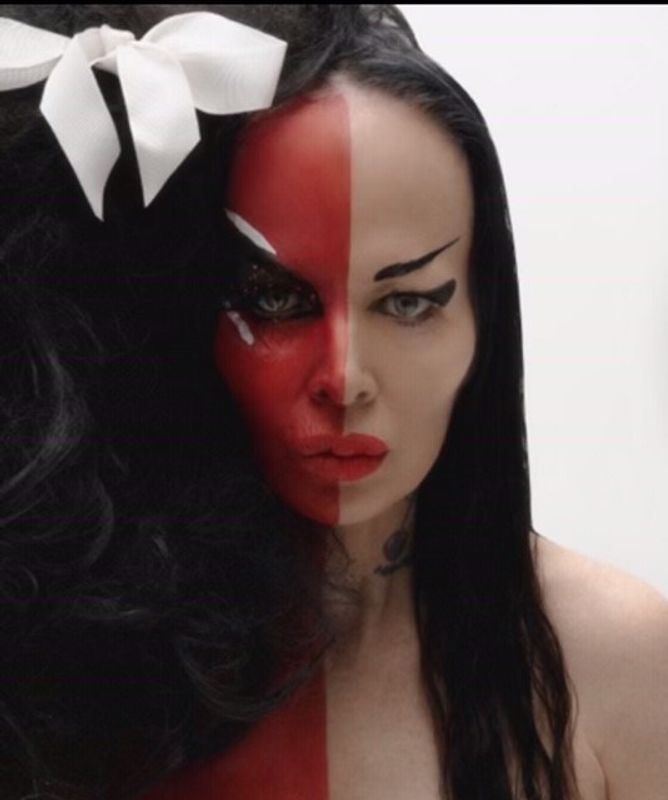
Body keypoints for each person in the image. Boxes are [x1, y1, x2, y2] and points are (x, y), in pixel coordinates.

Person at [0, 5, 666, 800]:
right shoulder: (69, 673)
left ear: (484, 321)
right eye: (276, 300)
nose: (345, 379)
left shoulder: (619, 662)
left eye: (409, 302)